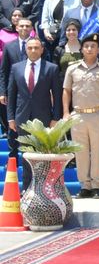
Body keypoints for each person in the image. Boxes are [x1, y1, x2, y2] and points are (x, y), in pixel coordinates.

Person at [6, 36, 63, 190]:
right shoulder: (16, 67)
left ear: (42, 50)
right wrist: (10, 118)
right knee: (26, 154)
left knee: (43, 154)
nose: (33, 50)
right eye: (30, 48)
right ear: (26, 49)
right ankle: (27, 187)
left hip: (44, 118)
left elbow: (57, 95)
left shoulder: (51, 68)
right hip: (22, 118)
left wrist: (56, 117)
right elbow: (11, 95)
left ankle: (43, 187)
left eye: (36, 48)